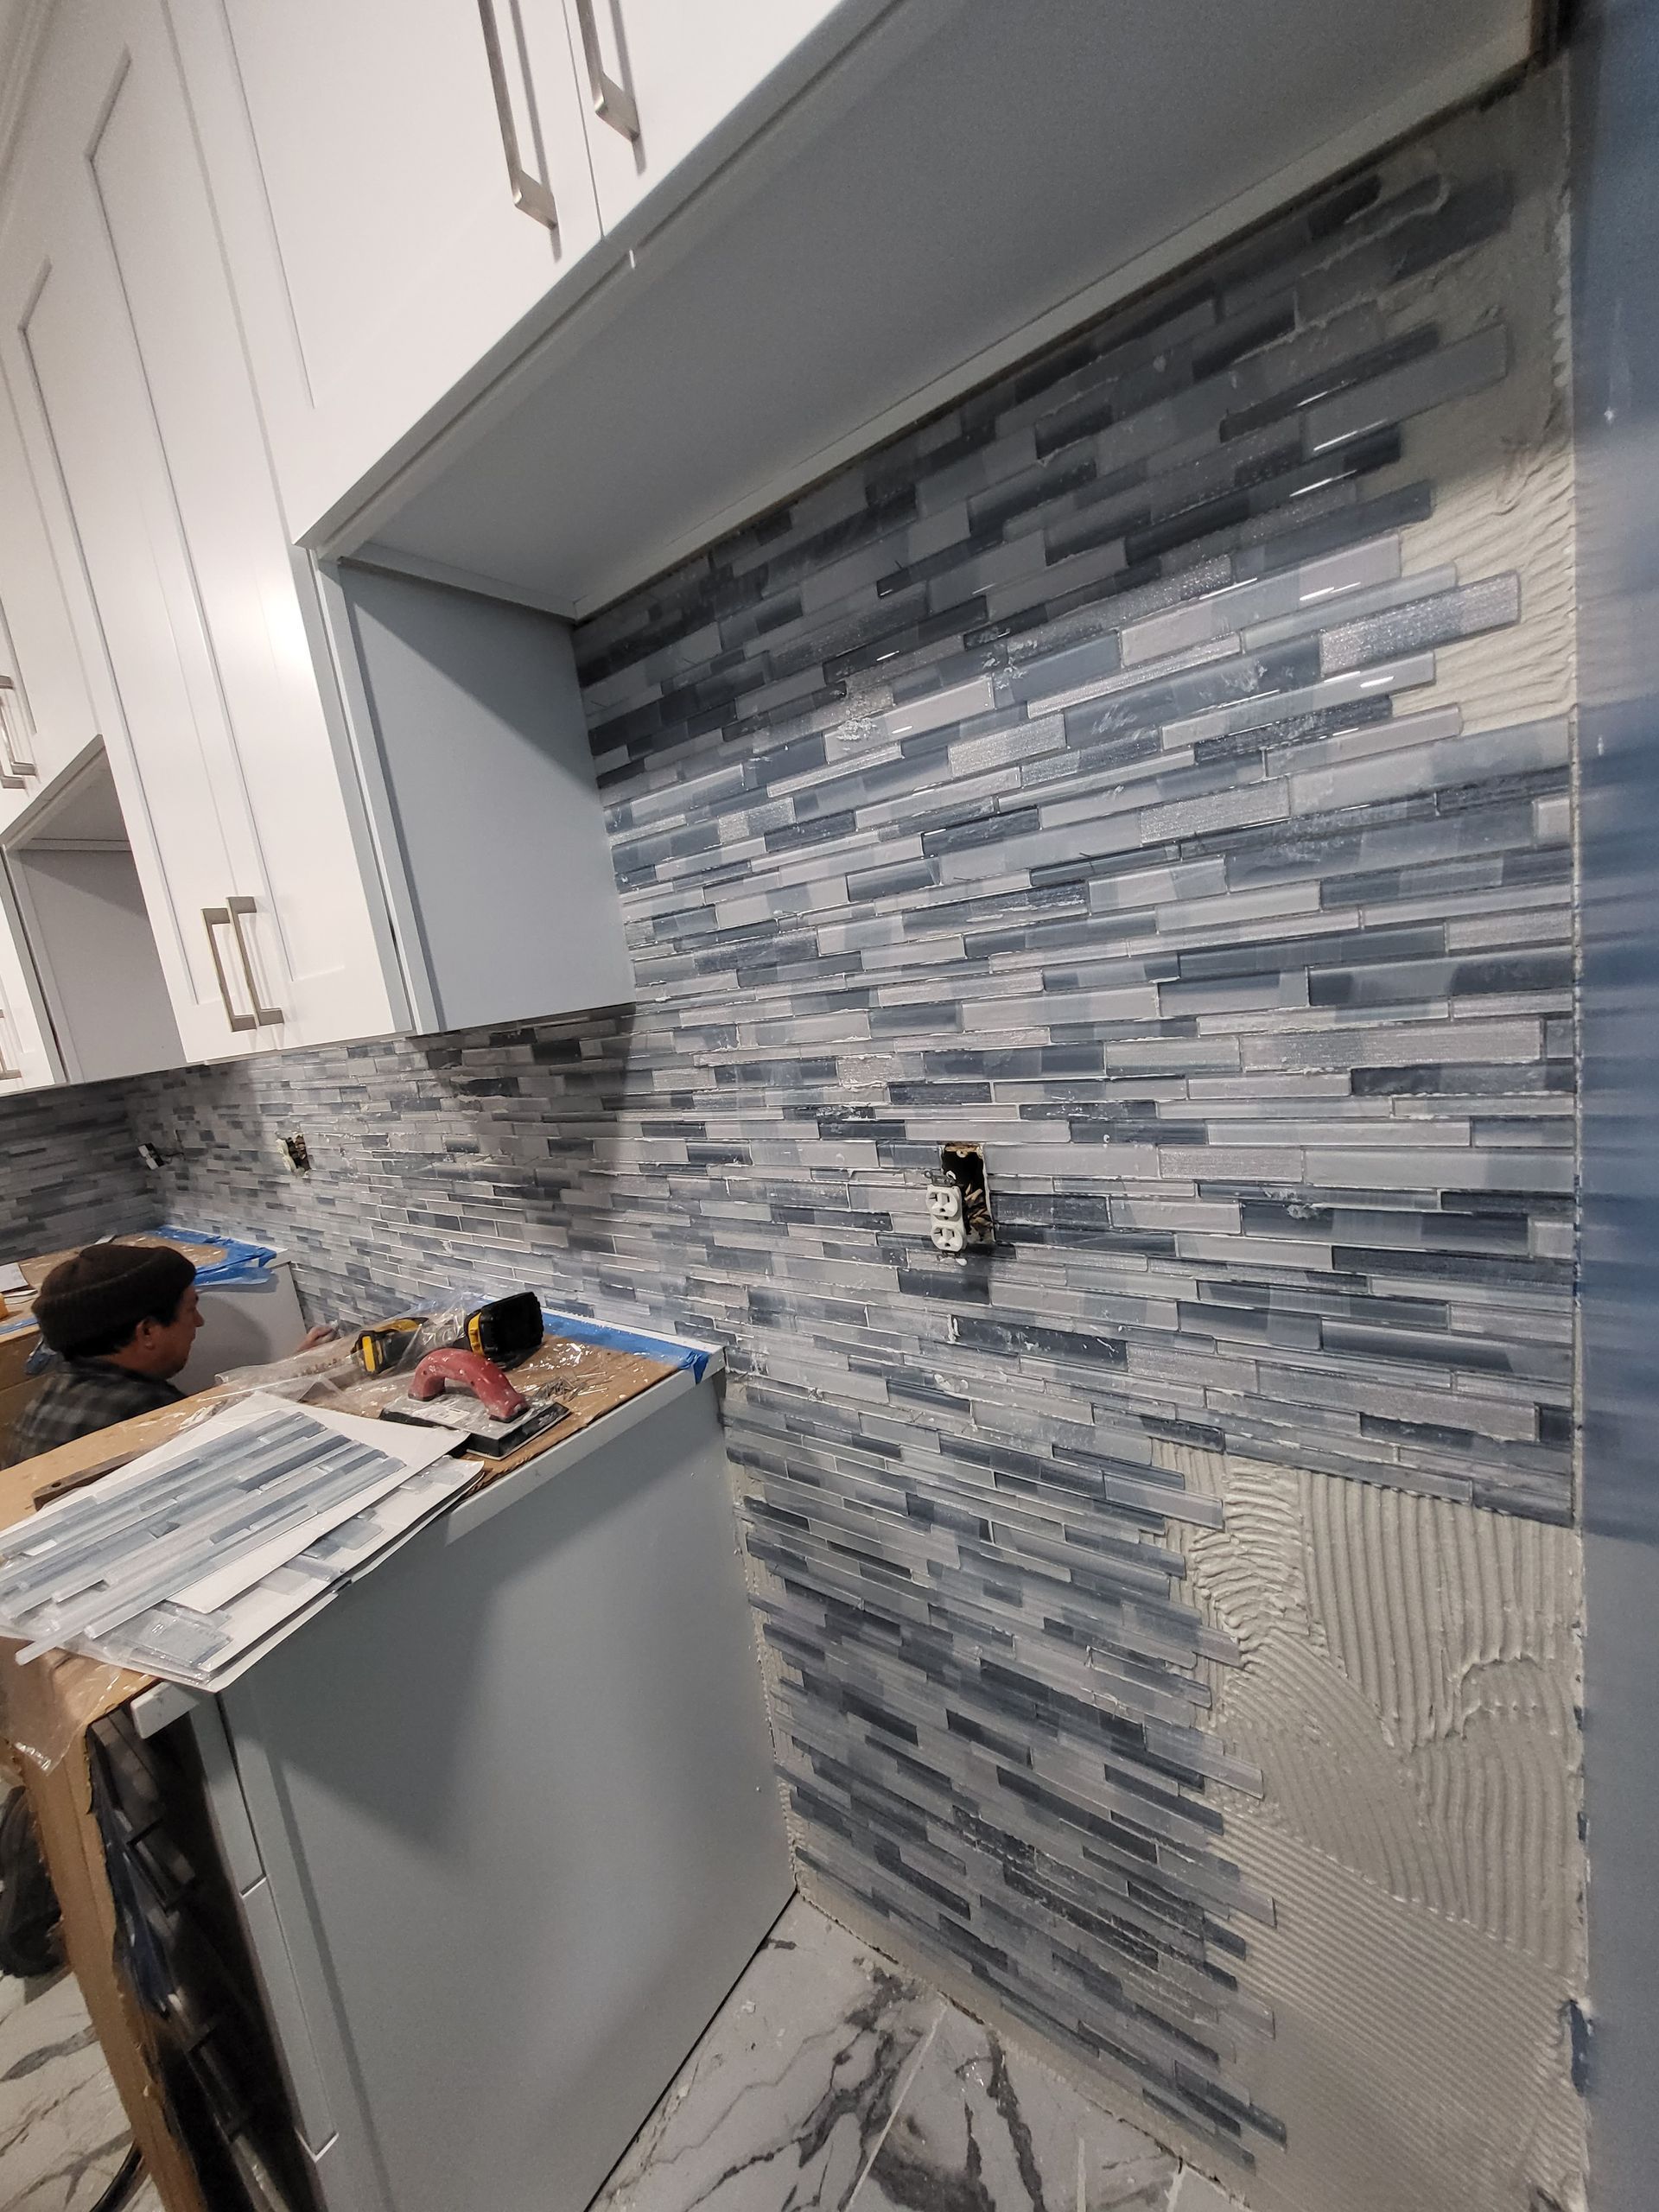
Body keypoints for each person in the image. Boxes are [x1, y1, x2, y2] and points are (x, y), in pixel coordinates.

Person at [1, 1243, 327, 1467]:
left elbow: (209, 1411)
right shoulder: (144, 1414)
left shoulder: (57, 1393)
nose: (198, 1322)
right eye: (190, 1309)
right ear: (147, 1332)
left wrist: (288, 1371)